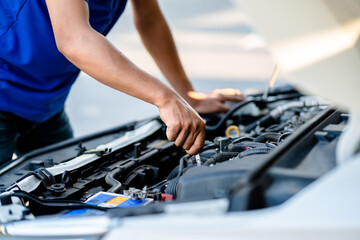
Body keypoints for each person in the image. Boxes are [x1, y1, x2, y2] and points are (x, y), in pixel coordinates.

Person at [0, 0, 244, 165]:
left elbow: (150, 20)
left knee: (63, 197)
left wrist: (187, 96)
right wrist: (165, 98)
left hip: (47, 102)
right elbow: (74, 39)